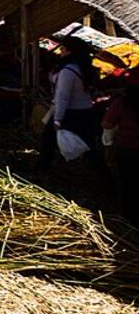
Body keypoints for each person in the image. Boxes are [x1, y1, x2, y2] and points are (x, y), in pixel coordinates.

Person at [40, 49, 107, 178]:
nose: (61, 52)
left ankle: (41, 169)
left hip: (70, 112)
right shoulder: (83, 68)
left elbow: (63, 96)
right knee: (89, 147)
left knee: (49, 141)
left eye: (64, 49)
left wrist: (58, 119)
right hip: (85, 111)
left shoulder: (67, 71)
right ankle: (105, 177)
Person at [105, 81, 139, 222]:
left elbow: (107, 123)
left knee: (128, 184)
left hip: (127, 150)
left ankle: (130, 217)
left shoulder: (122, 102)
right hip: (128, 150)